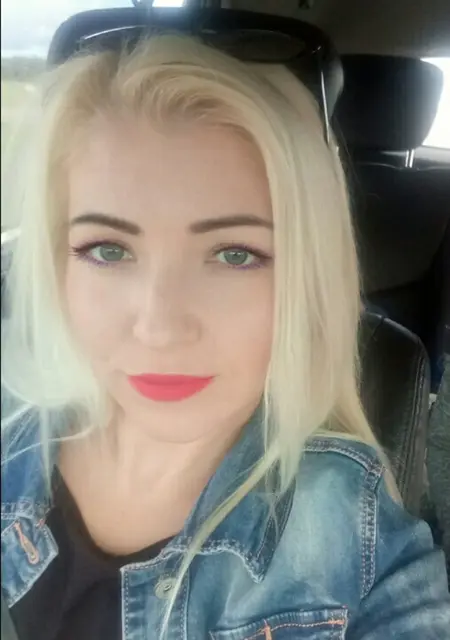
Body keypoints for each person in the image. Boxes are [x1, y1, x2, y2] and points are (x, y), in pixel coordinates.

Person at [1, 34, 449, 640]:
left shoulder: (354, 534)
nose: (159, 328)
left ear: (306, 283)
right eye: (108, 250)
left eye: (235, 254)